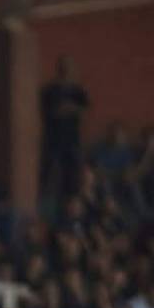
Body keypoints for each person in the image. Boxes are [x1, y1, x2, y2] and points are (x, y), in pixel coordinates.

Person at [39, 56, 90, 204]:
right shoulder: (49, 89)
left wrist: (72, 109)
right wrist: (61, 111)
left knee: (71, 174)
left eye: (68, 67)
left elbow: (86, 110)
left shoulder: (77, 90)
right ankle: (46, 202)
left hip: (72, 138)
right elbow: (46, 111)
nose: (65, 70)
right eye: (62, 66)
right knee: (49, 171)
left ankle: (70, 203)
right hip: (53, 137)